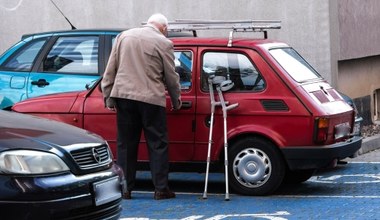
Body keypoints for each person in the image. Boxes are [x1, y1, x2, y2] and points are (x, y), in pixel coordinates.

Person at [101, 13, 182, 200]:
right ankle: (161, 189)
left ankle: (125, 189)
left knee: (126, 144)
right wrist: (176, 99)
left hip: (124, 97)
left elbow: (110, 69)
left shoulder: (124, 36)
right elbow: (171, 76)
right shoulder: (164, 43)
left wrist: (108, 97)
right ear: (163, 28)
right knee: (158, 143)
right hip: (151, 99)